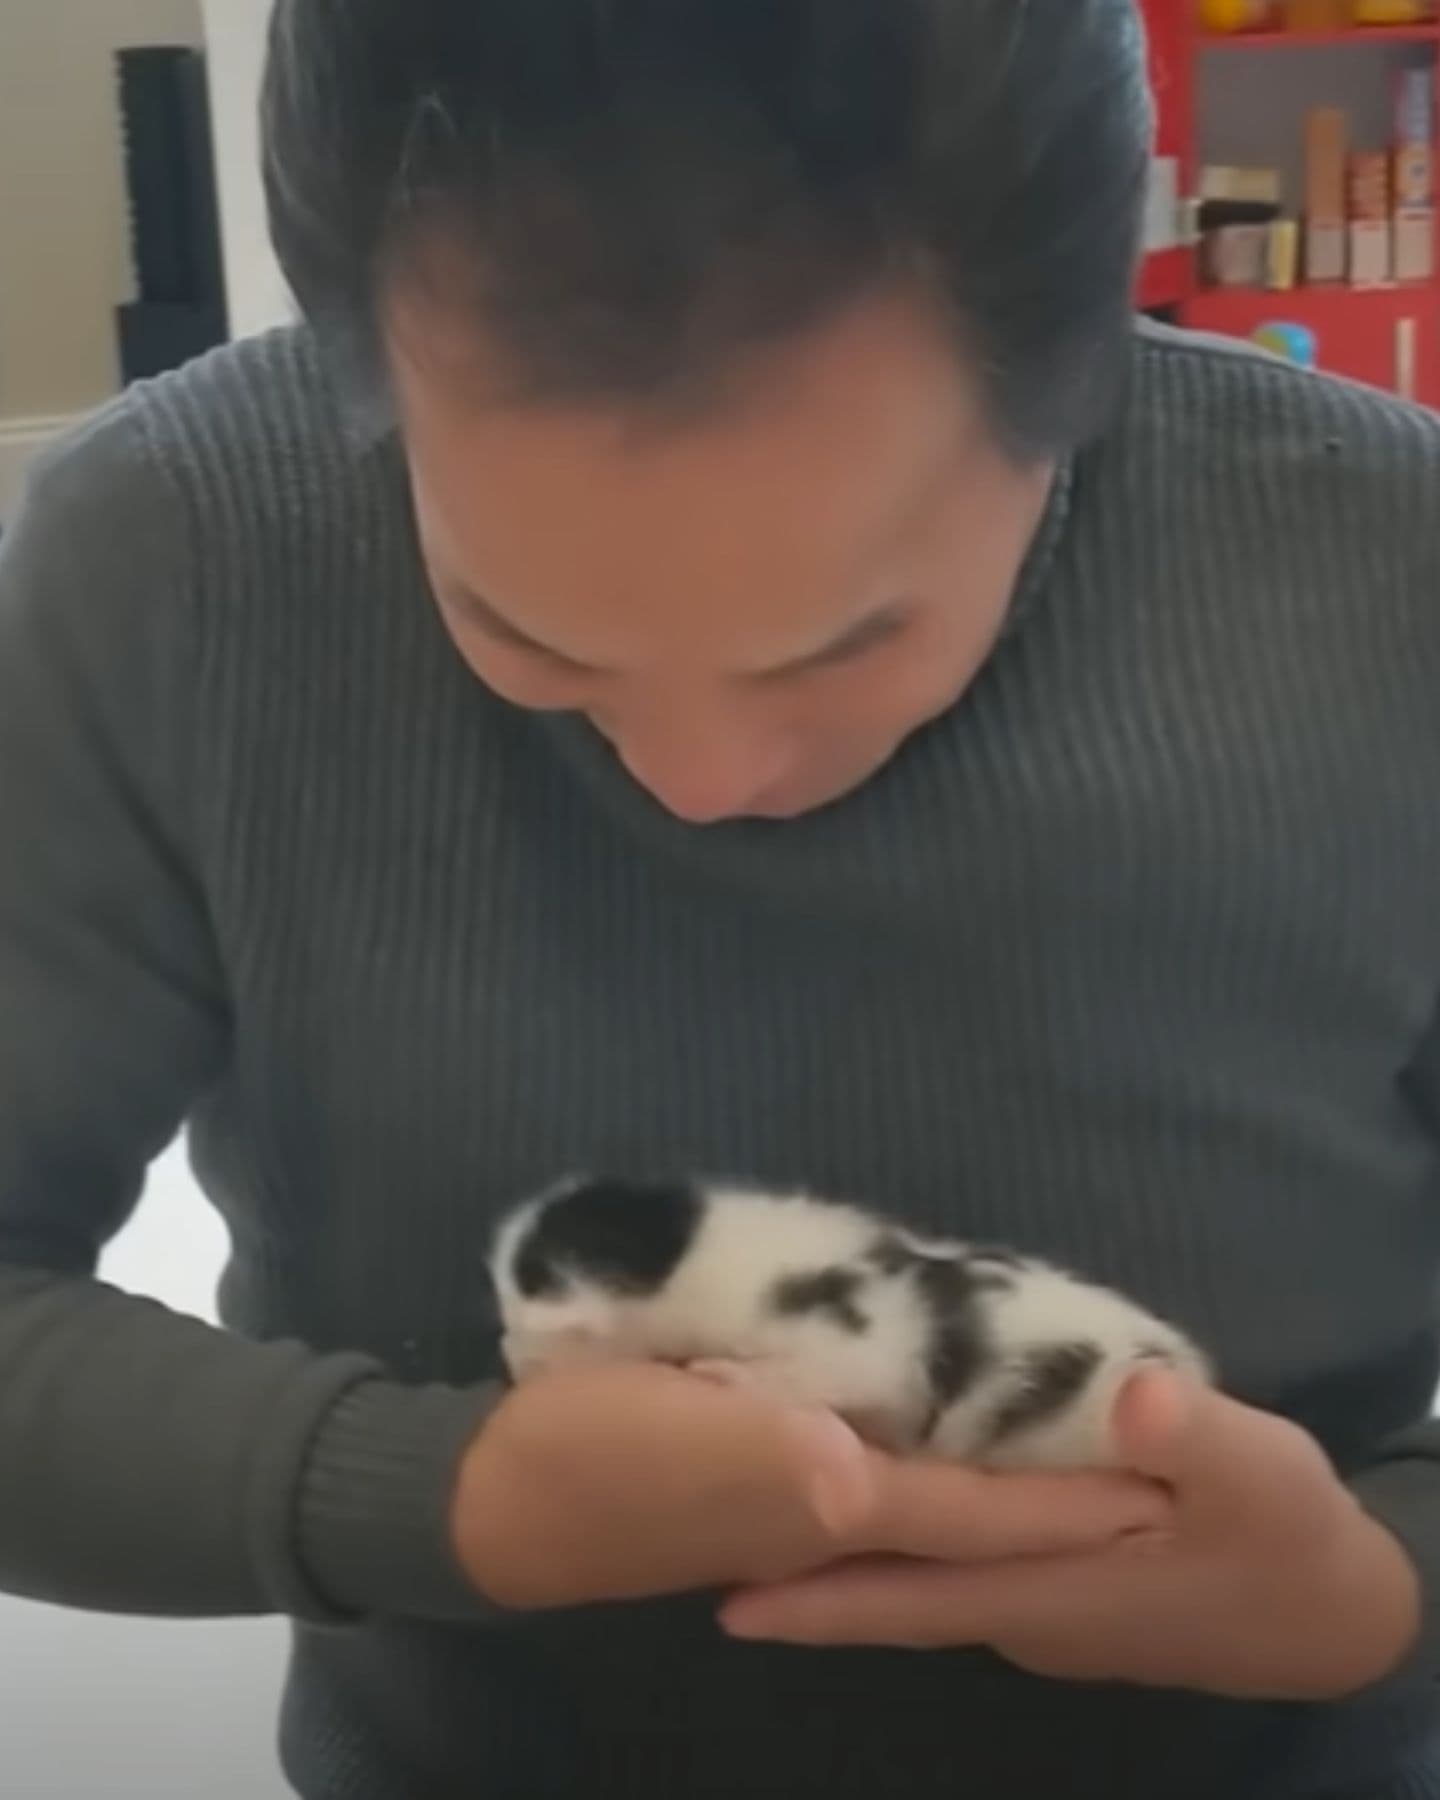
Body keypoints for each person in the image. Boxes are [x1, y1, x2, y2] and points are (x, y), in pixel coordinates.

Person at [2, 0, 1438, 1794]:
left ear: (1080, 376)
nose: (695, 782)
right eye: (522, 633)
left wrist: (1380, 1592)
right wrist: (453, 1500)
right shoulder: (174, 567)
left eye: (852, 641)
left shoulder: (1395, 591)